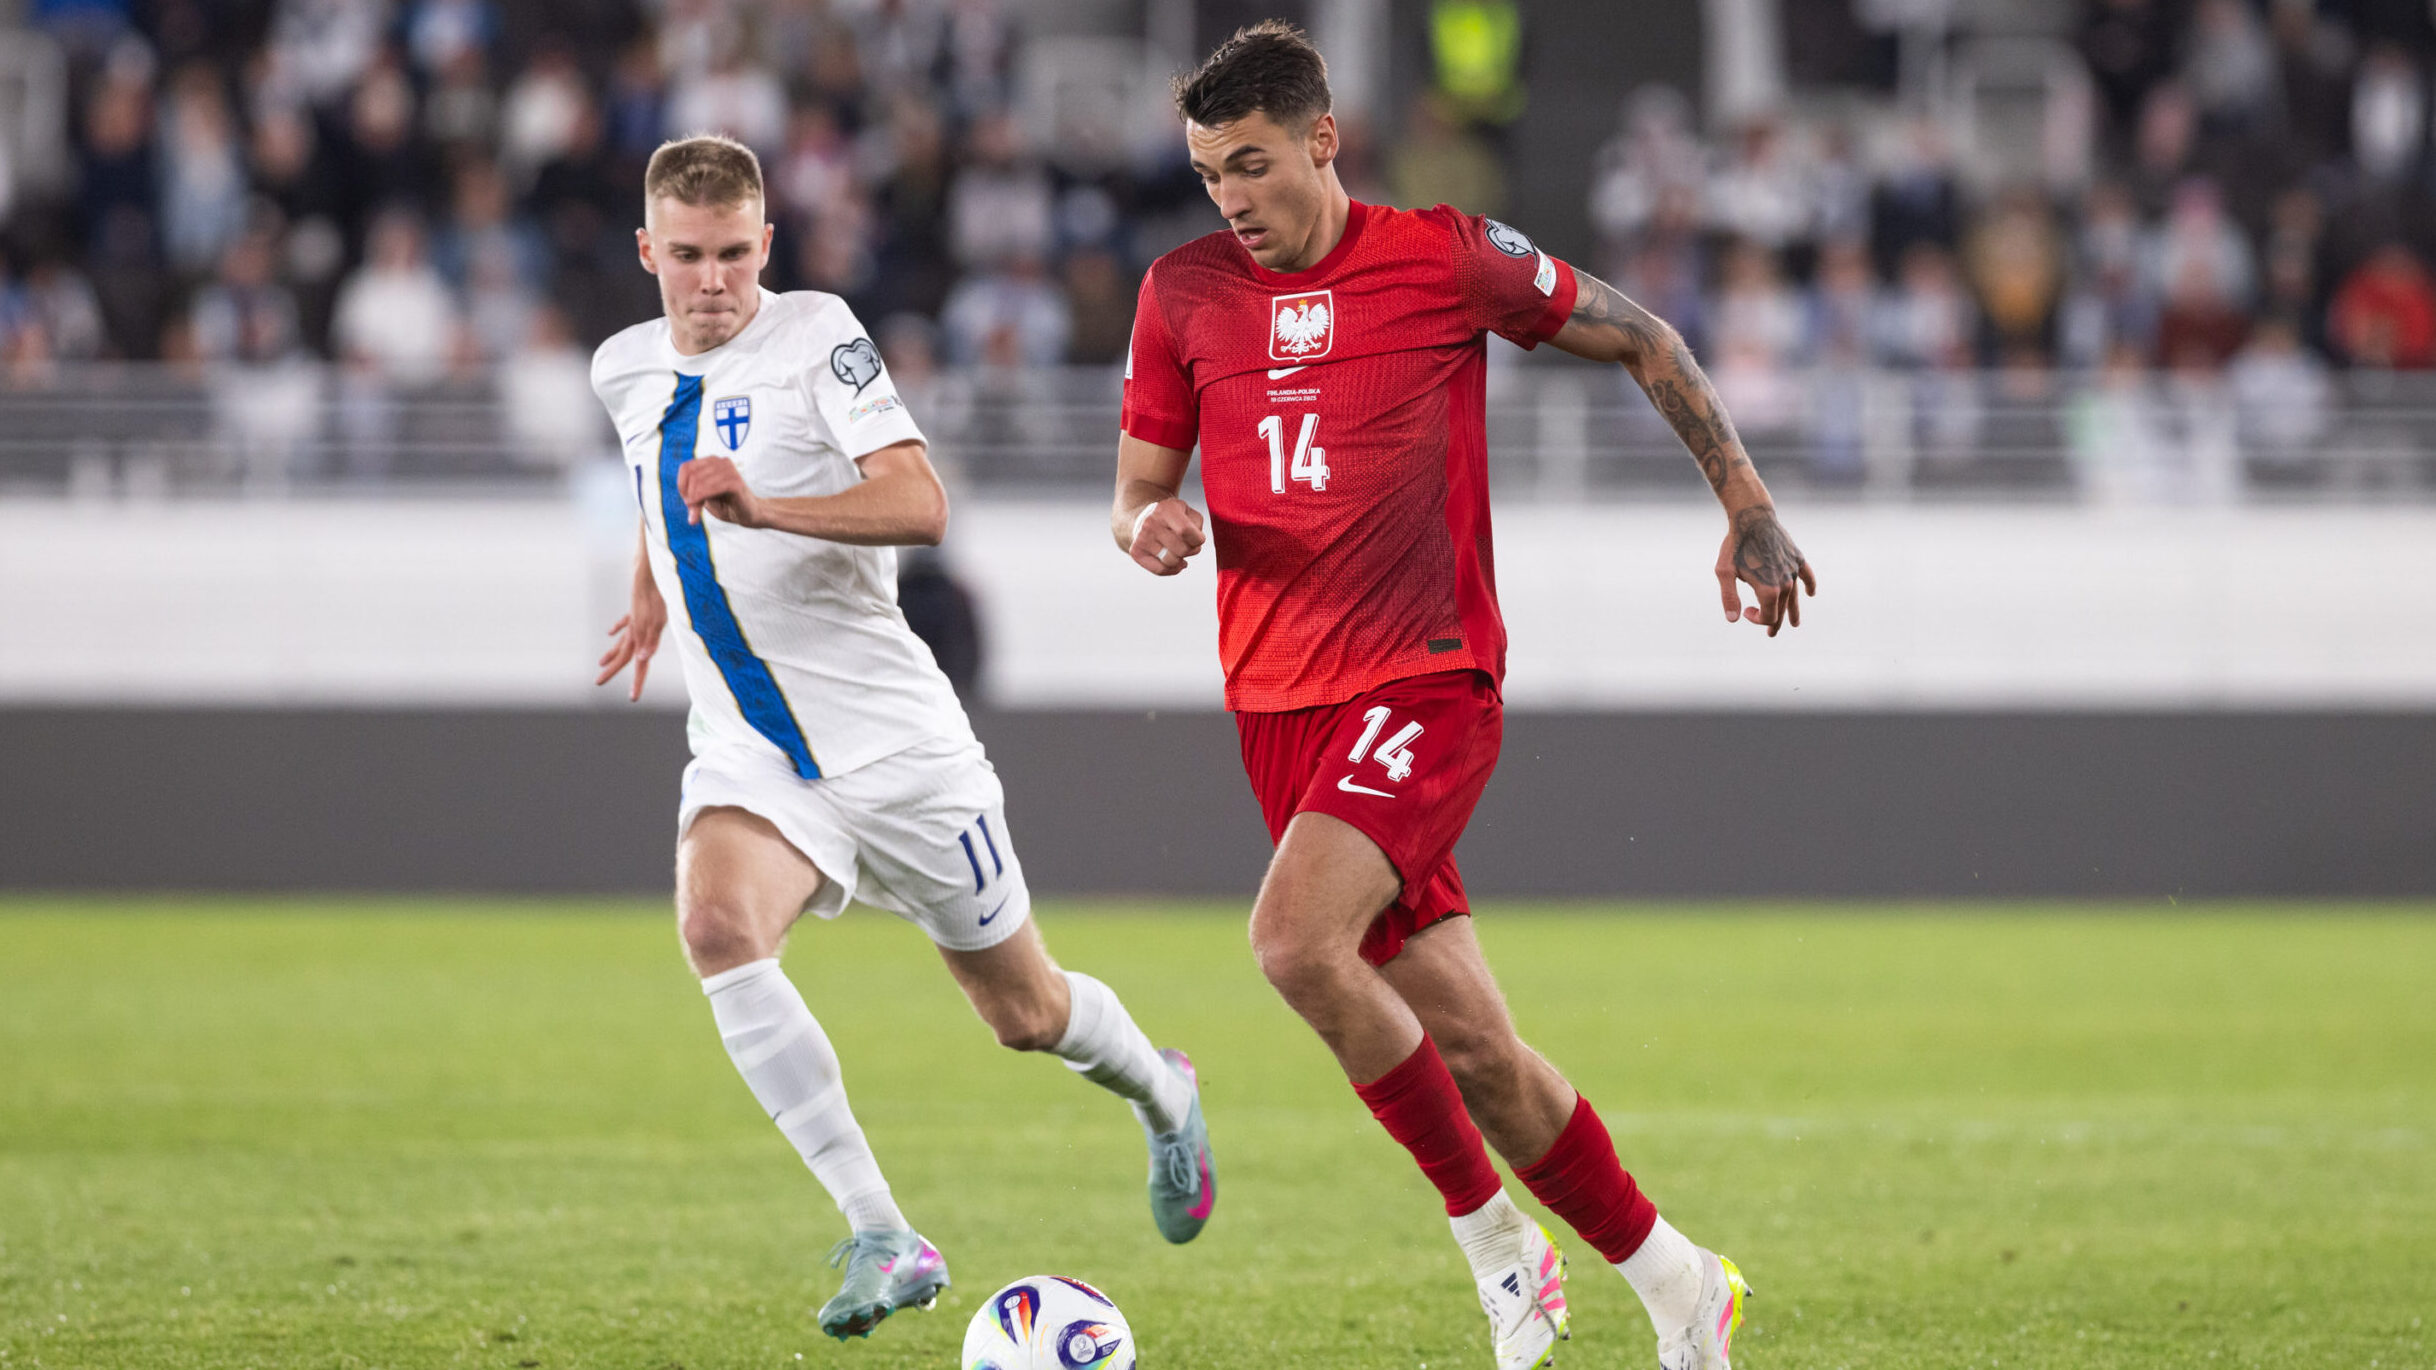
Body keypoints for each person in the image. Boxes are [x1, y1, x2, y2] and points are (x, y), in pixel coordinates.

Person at [1111, 24, 1814, 1370]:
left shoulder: (1440, 255)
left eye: (1251, 165)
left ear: (1323, 138)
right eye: (1209, 176)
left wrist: (1748, 503)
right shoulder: (1182, 292)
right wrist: (1148, 525)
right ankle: (1679, 1285)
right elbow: (1140, 485)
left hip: (1427, 680)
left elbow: (1641, 333)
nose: (1232, 200)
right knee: (1482, 1052)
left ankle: (1500, 1249)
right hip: (1277, 706)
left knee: (1293, 944)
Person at [591, 134, 1214, 1343]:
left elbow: (924, 501)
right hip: (758, 755)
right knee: (717, 925)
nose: (711, 282)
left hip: (898, 749)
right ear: (646, 251)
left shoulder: (818, 334)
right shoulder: (623, 367)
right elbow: (662, 477)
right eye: (686, 258)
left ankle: (1162, 1087)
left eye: (732, 255)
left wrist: (762, 506)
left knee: (1026, 1013)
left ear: (765, 245)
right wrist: (654, 580)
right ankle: (883, 1229)